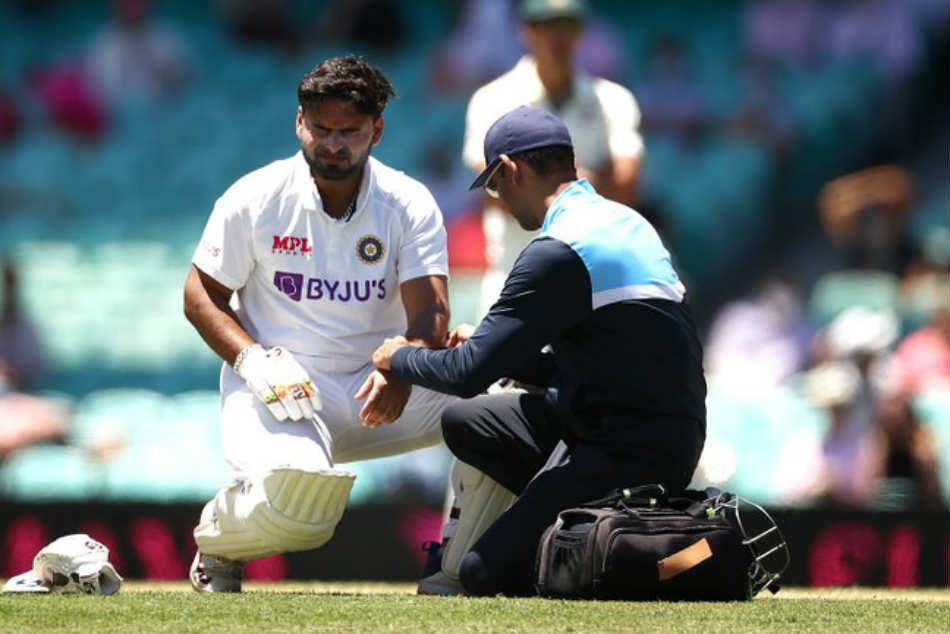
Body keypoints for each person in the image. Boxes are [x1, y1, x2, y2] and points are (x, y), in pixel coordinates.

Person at [372, 106, 706, 597]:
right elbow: (606, 364)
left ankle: (625, 546)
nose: (499, 201)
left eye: (494, 186)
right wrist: (499, 353)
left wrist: (396, 357)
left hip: (623, 452)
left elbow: (467, 374)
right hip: (657, 434)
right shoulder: (626, 222)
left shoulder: (558, 248)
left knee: (483, 572)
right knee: (467, 420)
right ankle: (561, 523)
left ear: (511, 170)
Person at [183, 56, 457, 593]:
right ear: (299, 122)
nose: (333, 145)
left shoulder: (407, 203)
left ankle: (464, 564)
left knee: (501, 403)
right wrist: (251, 359)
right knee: (302, 512)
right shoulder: (256, 197)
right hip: (284, 391)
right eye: (320, 129)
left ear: (377, 130)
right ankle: (219, 540)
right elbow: (200, 295)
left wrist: (403, 369)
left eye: (349, 132)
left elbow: (431, 313)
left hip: (382, 386)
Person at [461, 0, 644, 315]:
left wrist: (533, 182)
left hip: (594, 286)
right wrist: (587, 183)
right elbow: (494, 191)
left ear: (580, 31)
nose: (557, 37)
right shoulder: (492, 99)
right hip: (516, 282)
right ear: (527, 30)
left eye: (567, 25)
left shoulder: (615, 100)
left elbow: (627, 187)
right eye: (547, 25)